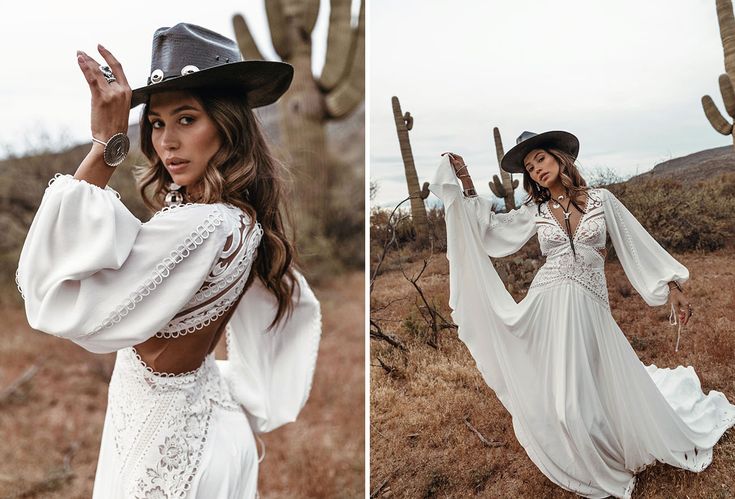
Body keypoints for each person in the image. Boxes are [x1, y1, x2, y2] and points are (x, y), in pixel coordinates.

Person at [14, 23, 321, 498]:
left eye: (186, 119)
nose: (167, 142)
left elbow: (52, 295)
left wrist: (103, 145)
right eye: (157, 123)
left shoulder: (200, 226)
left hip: (167, 455)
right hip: (206, 421)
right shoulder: (239, 218)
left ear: (227, 123)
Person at [431, 130, 735, 498]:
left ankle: (612, 444)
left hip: (590, 305)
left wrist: (672, 286)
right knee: (566, 408)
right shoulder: (535, 212)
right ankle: (586, 463)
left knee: (592, 391)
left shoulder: (602, 200)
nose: (536, 169)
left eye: (540, 159)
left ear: (559, 158)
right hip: (547, 307)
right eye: (529, 167)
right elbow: (490, 234)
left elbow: (635, 243)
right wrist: (465, 181)